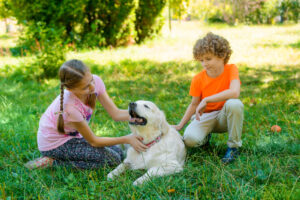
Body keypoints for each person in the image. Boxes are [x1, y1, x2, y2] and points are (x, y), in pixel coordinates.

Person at [25, 59, 147, 169]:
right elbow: (94, 141)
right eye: (85, 87)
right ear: (70, 89)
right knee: (113, 160)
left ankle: (60, 159)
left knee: (119, 153)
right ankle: (53, 162)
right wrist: (126, 139)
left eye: (91, 81)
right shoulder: (70, 107)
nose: (93, 88)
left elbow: (115, 114)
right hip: (54, 144)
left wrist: (142, 115)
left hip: (73, 136)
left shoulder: (95, 82)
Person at [173, 32, 244, 164]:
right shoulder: (198, 79)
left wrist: (206, 99)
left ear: (222, 56)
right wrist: (180, 125)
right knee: (189, 140)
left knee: (235, 104)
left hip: (225, 116)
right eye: (201, 60)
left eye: (208, 59)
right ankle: (205, 137)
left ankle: (233, 147)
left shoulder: (231, 69)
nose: (204, 63)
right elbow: (194, 104)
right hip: (205, 116)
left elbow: (234, 92)